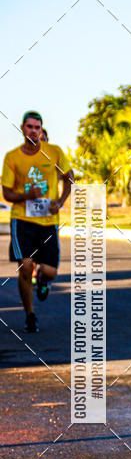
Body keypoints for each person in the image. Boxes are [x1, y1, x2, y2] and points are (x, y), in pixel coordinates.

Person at [1, 110, 73, 333]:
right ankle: (30, 315)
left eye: (37, 127)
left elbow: (69, 177)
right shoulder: (12, 157)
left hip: (48, 221)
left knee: (50, 272)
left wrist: (60, 201)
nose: (34, 131)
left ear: (41, 130)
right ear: (23, 128)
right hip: (22, 220)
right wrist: (27, 195)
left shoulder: (54, 152)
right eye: (29, 127)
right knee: (26, 266)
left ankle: (42, 280)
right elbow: (7, 194)